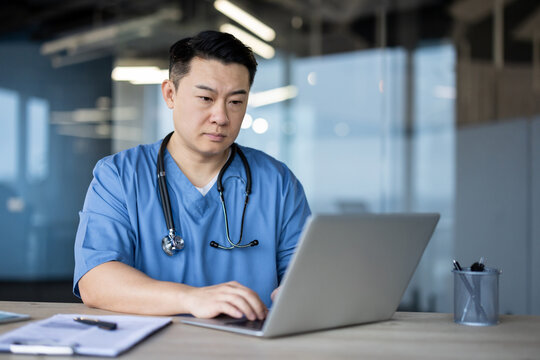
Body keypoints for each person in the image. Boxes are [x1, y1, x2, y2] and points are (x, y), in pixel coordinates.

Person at [73, 30, 311, 321]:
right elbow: (95, 281)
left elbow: (306, 276)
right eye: (205, 98)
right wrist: (192, 298)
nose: (221, 117)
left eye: (235, 102)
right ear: (170, 94)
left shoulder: (278, 182)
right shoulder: (120, 176)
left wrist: (298, 292)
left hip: (251, 347)